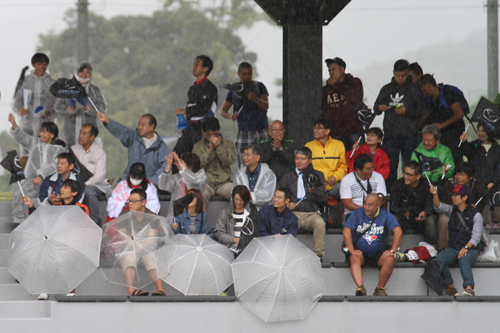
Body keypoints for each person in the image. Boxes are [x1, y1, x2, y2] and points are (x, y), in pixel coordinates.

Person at [23, 178, 89, 300]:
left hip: (74, 244)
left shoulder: (81, 208)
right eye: (62, 187)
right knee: (45, 251)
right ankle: (45, 288)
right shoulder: (55, 206)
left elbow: (84, 229)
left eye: (65, 187)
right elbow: (43, 221)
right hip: (55, 242)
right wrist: (31, 207)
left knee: (70, 253)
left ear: (74, 193)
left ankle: (71, 289)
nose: (61, 189)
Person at [373, 59, 428, 189]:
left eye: (403, 75)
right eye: (397, 75)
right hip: (391, 135)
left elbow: (423, 110)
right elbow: (375, 108)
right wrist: (380, 107)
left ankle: (409, 193)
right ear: (393, 73)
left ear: (408, 73)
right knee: (390, 168)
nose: (400, 78)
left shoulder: (414, 89)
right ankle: (391, 194)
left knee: (410, 168)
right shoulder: (386, 89)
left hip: (409, 135)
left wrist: (407, 110)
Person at [8, 113, 66, 222]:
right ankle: (19, 222)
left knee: (40, 201)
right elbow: (23, 137)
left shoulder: (60, 149)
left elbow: (56, 165)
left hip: (50, 182)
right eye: (41, 131)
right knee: (19, 194)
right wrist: (14, 124)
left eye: (44, 132)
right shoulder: (35, 143)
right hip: (31, 180)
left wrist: (41, 175)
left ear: (52, 135)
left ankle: (37, 223)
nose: (41, 134)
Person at [343, 193, 402, 296]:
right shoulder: (357, 213)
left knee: (390, 259)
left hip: (378, 252)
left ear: (378, 206)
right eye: (365, 204)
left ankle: (379, 289)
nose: (366, 207)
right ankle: (360, 288)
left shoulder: (384, 214)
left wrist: (392, 251)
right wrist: (352, 250)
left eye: (370, 205)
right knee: (353, 258)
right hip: (360, 252)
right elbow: (346, 231)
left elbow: (398, 231)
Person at [430, 184, 483, 296]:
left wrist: (466, 247)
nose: (452, 197)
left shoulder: (476, 215)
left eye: (456, 195)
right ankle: (450, 287)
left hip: (471, 249)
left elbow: (476, 237)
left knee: (463, 259)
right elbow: (438, 206)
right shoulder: (451, 210)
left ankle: (469, 288)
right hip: (454, 248)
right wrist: (435, 194)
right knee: (440, 258)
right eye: (453, 194)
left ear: (464, 198)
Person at [96, 111, 168, 184]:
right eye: (139, 124)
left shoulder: (161, 146)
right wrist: (107, 120)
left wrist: (153, 180)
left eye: (143, 125)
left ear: (152, 127)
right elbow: (121, 130)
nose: (139, 127)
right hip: (128, 182)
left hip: (148, 185)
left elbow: (165, 166)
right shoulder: (133, 137)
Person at [12, 53, 57, 169]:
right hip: (27, 124)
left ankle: (42, 183)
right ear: (33, 65)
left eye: (45, 64)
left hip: (45, 126)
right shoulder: (26, 81)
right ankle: (24, 185)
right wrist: (21, 110)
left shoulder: (52, 82)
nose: (42, 67)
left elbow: (59, 104)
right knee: (25, 156)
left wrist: (50, 112)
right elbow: (16, 102)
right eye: (39, 64)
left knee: (44, 156)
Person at [220, 62, 269, 168]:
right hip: (243, 131)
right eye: (244, 74)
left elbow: (266, 106)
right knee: (243, 162)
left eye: (249, 74)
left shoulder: (259, 86)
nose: (247, 77)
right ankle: (245, 183)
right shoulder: (234, 89)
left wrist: (256, 99)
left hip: (261, 130)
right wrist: (231, 116)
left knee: (263, 161)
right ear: (238, 74)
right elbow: (223, 111)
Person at [118, 188, 165, 297]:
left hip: (147, 247)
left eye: (134, 201)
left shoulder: (152, 217)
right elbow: (123, 236)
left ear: (143, 202)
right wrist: (134, 245)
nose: (130, 204)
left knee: (150, 257)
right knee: (129, 257)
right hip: (129, 247)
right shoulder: (124, 215)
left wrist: (140, 246)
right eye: (129, 201)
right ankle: (131, 291)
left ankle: (160, 290)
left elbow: (151, 239)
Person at [280, 147, 326, 258]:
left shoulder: (317, 176)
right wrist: (287, 204)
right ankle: (286, 255)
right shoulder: (288, 177)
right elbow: (280, 196)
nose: (299, 161)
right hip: (294, 213)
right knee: (285, 223)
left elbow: (322, 198)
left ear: (310, 160)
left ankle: (318, 256)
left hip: (312, 214)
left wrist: (313, 192)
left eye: (303, 159)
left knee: (320, 223)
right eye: (297, 158)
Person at [173, 55, 218, 168]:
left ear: (205, 68)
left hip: (202, 130)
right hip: (189, 129)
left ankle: (197, 185)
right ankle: (179, 185)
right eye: (194, 64)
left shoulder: (210, 87)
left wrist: (186, 110)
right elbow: (190, 113)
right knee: (176, 158)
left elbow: (203, 109)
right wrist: (182, 115)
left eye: (197, 64)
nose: (194, 66)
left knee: (197, 163)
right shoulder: (192, 89)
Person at [54, 62, 107, 147]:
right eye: (81, 71)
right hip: (69, 136)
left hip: (88, 136)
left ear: (90, 74)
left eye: (87, 72)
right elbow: (57, 106)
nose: (84, 74)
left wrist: (90, 109)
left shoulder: (95, 91)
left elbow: (103, 109)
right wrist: (68, 110)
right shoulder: (67, 90)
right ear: (77, 72)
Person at [436, 162, 487, 249]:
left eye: (463, 175)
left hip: (470, 214)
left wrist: (474, 208)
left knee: (477, 220)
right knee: (443, 219)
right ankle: (443, 247)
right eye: (458, 174)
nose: (459, 177)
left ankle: (475, 248)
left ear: (470, 177)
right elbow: (445, 203)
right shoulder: (449, 184)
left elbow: (481, 203)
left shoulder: (478, 186)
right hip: (453, 212)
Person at [419, 74, 467, 165]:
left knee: (455, 159)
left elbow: (459, 113)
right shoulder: (430, 100)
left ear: (429, 85)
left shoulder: (447, 93)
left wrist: (442, 125)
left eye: (423, 88)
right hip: (442, 137)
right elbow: (426, 115)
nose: (422, 91)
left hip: (454, 134)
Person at [459, 124, 500, 227]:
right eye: (479, 131)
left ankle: (496, 222)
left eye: (483, 131)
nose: (481, 133)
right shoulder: (473, 146)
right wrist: (463, 142)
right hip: (477, 180)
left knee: (496, 192)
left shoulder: (497, 149)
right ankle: (484, 223)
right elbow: (463, 151)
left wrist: (493, 181)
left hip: (493, 181)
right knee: (479, 192)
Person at [192, 117, 236, 211]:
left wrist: (219, 148)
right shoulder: (198, 146)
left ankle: (233, 221)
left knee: (237, 194)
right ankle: (202, 224)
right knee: (200, 195)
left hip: (224, 183)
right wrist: (210, 150)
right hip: (206, 182)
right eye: (208, 134)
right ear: (203, 132)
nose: (212, 137)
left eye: (215, 134)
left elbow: (230, 161)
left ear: (219, 130)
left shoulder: (228, 144)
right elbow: (197, 165)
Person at [321, 57, 365, 151]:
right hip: (336, 132)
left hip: (354, 130)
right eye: (329, 70)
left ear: (342, 69)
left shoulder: (354, 82)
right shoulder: (327, 89)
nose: (331, 72)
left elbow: (355, 98)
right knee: (339, 162)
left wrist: (336, 86)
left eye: (334, 69)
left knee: (358, 160)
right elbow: (324, 110)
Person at [72, 124, 111, 225]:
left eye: (84, 134)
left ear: (92, 138)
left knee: (88, 191)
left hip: (95, 184)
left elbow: (100, 175)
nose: (80, 136)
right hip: (75, 183)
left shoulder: (99, 152)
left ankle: (93, 222)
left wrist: (85, 183)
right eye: (80, 132)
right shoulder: (73, 150)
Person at [390, 161, 435, 244]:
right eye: (404, 173)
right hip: (402, 216)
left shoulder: (426, 185)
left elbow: (430, 205)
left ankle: (432, 247)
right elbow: (393, 207)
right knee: (392, 218)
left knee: (430, 220)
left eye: (409, 175)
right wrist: (403, 212)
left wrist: (424, 213)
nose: (405, 177)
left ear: (418, 176)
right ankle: (392, 248)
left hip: (420, 217)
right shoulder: (398, 184)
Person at [158, 152, 206, 226]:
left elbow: (193, 180)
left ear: (191, 165)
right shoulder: (177, 178)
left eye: (181, 162)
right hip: (175, 217)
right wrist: (167, 167)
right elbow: (162, 185)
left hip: (194, 216)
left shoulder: (200, 177)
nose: (178, 164)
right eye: (178, 162)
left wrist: (182, 168)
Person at [305, 118, 348, 198]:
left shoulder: (338, 145)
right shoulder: (308, 146)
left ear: (327, 131)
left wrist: (335, 176)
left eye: (319, 128)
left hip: (334, 186)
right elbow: (306, 167)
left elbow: (343, 166)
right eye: (314, 128)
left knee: (346, 190)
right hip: (316, 187)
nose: (315, 130)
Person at [340, 154, 387, 220]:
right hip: (353, 213)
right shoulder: (347, 180)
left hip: (375, 212)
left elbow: (382, 199)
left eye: (372, 168)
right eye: (367, 169)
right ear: (358, 170)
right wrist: (365, 210)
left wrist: (372, 209)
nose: (371, 171)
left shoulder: (378, 177)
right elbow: (347, 203)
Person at [214, 185, 259, 253]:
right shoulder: (225, 213)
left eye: (241, 200)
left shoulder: (250, 214)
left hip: (245, 250)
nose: (238, 202)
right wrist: (234, 239)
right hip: (228, 249)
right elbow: (219, 234)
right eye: (236, 199)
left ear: (246, 199)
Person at [233, 144, 277, 210]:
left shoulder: (268, 174)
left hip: (264, 212)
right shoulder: (239, 174)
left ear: (257, 158)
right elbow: (233, 193)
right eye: (244, 155)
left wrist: (250, 195)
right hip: (244, 211)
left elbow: (268, 195)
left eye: (248, 155)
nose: (245, 158)